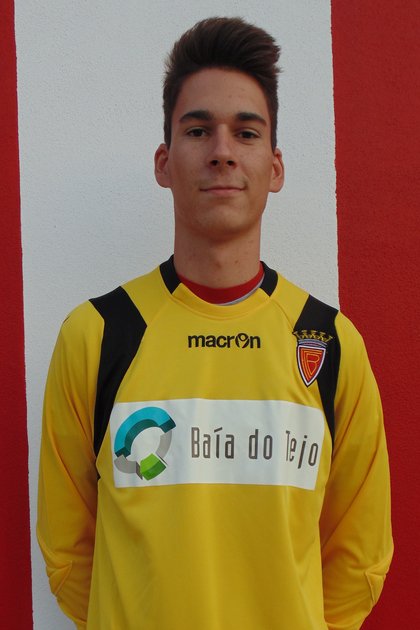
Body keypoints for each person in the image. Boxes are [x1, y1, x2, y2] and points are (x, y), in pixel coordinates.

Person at [37, 16, 393, 630]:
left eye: (246, 133)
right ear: (164, 161)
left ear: (275, 167)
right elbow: (68, 554)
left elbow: (359, 561)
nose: (222, 151)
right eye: (198, 130)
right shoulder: (96, 336)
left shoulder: (331, 344)